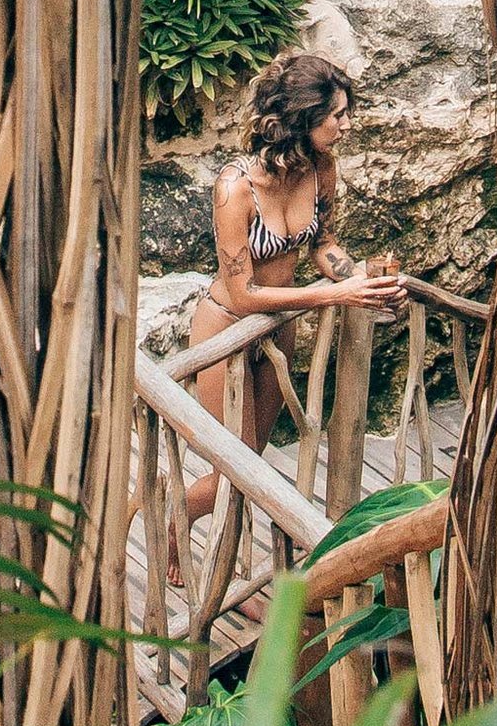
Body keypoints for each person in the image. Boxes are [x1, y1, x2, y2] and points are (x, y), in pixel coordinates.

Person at [167, 53, 404, 588]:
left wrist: (365, 281)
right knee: (235, 469)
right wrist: (336, 294)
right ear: (302, 118)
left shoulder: (322, 169)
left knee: (250, 458)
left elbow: (323, 244)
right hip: (226, 330)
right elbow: (242, 292)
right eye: (336, 116)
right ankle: (170, 520)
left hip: (279, 330)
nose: (346, 126)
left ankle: (219, 556)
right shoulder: (235, 188)